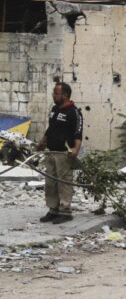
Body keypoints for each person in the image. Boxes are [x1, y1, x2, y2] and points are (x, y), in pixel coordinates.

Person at [37, 82, 83, 225]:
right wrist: (43, 141)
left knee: (64, 183)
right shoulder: (54, 109)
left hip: (64, 153)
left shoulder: (74, 112)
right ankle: (53, 210)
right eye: (54, 93)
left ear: (65, 95)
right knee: (50, 183)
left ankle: (65, 211)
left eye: (56, 93)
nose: (53, 95)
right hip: (51, 151)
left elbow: (78, 132)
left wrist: (76, 149)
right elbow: (50, 128)